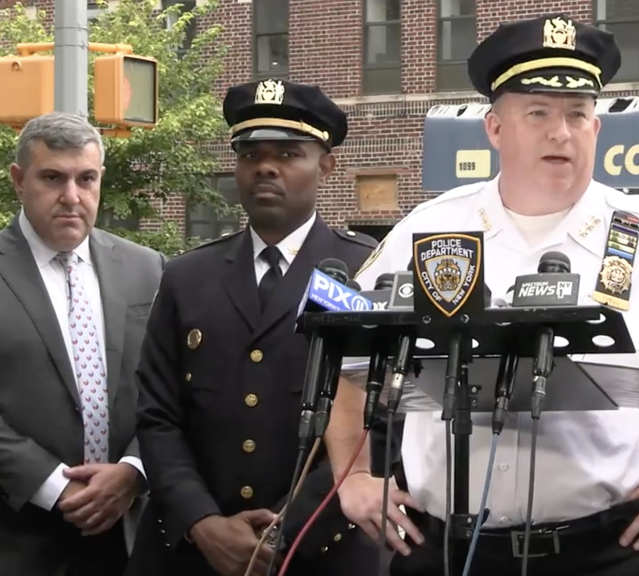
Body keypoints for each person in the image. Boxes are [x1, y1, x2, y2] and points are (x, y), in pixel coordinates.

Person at [324, 14, 639, 576]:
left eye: (578, 114)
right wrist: (351, 477)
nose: (561, 132)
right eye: (538, 113)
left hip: (611, 548)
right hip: (446, 550)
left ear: (597, 129)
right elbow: (347, 352)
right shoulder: (426, 231)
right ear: (495, 129)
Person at [127, 79, 381, 576]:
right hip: (194, 552)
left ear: (325, 165)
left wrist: (289, 527)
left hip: (323, 546)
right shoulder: (186, 276)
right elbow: (158, 417)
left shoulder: (367, 272)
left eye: (288, 153)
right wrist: (202, 521)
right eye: (250, 153)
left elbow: (389, 420)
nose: (266, 166)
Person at [0, 112, 164, 575]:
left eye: (86, 179)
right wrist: (54, 485)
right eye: (52, 178)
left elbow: (175, 388)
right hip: (17, 536)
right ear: (19, 180)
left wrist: (134, 470)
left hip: (131, 536)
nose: (71, 197)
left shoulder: (147, 269)